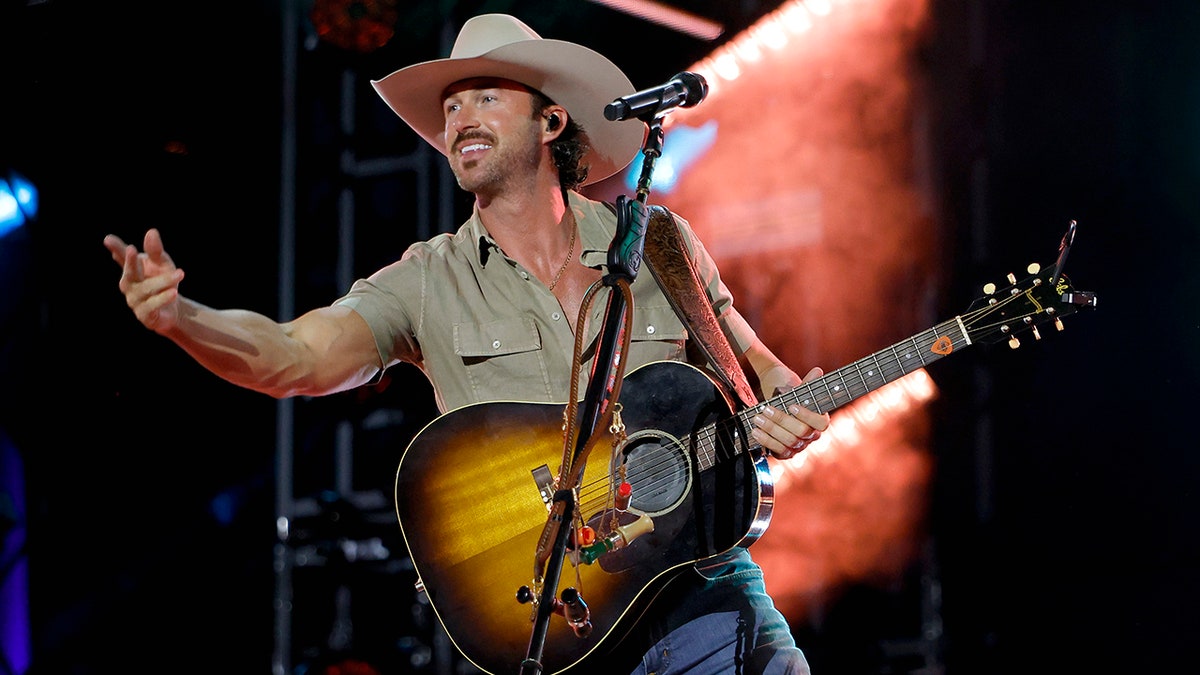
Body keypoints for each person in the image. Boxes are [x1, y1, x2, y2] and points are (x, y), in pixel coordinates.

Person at [104, 13, 829, 675]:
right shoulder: (428, 280)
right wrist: (182, 319)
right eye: (450, 108)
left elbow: (760, 373)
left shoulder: (659, 243)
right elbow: (296, 353)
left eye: (485, 96)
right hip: (560, 627)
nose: (459, 119)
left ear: (550, 121)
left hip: (705, 594)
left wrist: (787, 403)